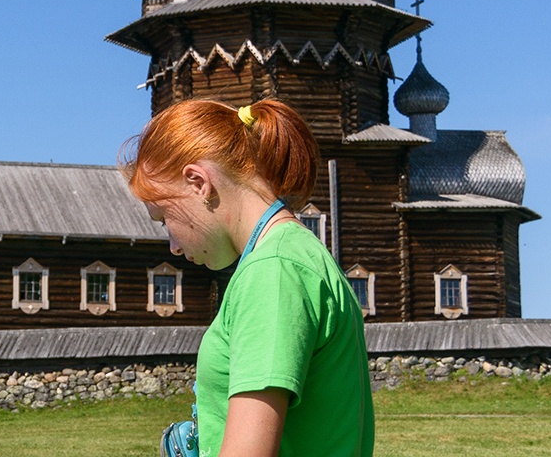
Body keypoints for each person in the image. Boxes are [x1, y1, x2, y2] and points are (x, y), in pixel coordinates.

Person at [122, 99, 373, 457]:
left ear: (198, 182)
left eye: (164, 219)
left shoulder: (273, 271)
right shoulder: (295, 254)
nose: (173, 246)